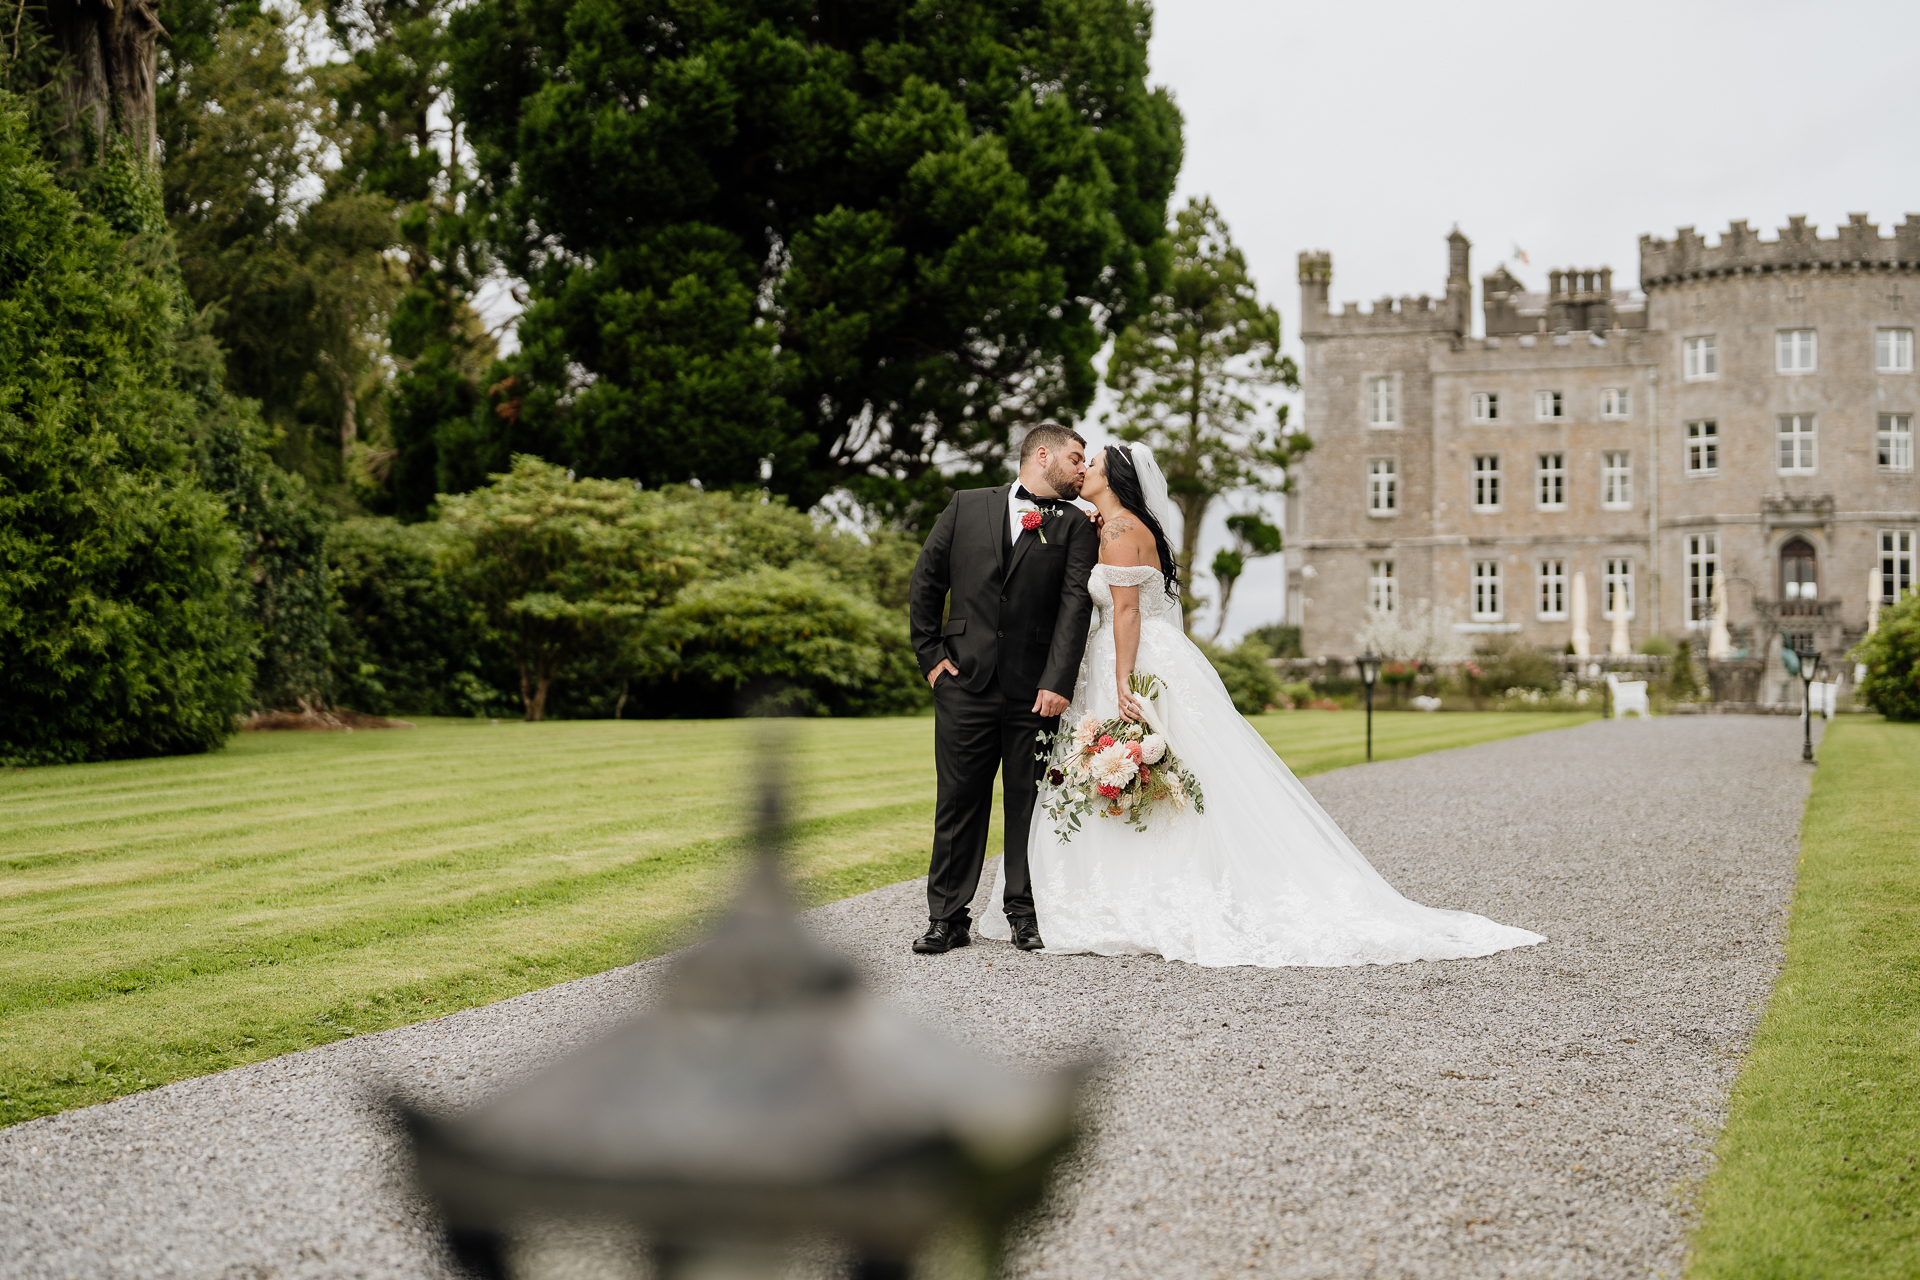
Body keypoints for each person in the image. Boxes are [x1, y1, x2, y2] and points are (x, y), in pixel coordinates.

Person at [979, 442, 1545, 967]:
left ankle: (1127, 892)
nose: (1084, 471)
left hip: (1129, 660)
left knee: (1144, 765)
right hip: (1146, 653)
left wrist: (1123, 680)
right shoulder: (1123, 525)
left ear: (1114, 478)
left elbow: (1124, 612)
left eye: (1093, 464)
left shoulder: (1119, 529)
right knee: (1169, 773)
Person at [906, 424, 1101, 955]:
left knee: (1029, 802)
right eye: (1077, 459)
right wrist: (931, 659)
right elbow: (927, 581)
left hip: (1034, 692)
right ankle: (947, 918)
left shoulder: (1077, 525)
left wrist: (1058, 681)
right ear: (1044, 455)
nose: (1084, 469)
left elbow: (1074, 606)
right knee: (959, 799)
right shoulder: (965, 505)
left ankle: (1024, 911)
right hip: (963, 683)